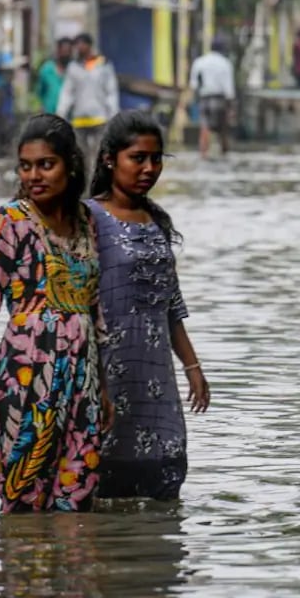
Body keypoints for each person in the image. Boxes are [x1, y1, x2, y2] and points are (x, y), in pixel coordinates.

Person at [0, 114, 114, 513]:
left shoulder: (87, 223)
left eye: (46, 165)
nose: (35, 175)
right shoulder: (6, 223)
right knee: (23, 501)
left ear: (71, 165)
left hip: (82, 382)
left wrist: (104, 388)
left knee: (78, 499)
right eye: (26, 166)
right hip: (26, 378)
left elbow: (95, 310)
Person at [85, 110, 209, 501]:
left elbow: (170, 305)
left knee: (162, 483)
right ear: (110, 159)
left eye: (156, 159)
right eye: (137, 158)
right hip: (106, 370)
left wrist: (193, 367)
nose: (149, 169)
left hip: (156, 378)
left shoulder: (156, 221)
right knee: (102, 482)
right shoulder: (88, 217)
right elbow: (79, 300)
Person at [56, 33, 119, 176]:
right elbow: (67, 93)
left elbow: (111, 91)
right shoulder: (73, 67)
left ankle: (99, 184)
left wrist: (113, 113)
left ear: (89, 45)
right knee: (81, 156)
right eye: (77, 44)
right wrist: (61, 113)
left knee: (99, 154)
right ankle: (84, 186)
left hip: (99, 118)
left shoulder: (103, 65)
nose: (79, 47)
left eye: (81, 44)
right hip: (79, 119)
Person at [189, 37, 235, 158]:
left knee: (205, 127)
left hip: (205, 98)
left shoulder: (199, 62)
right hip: (220, 99)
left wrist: (194, 99)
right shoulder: (225, 63)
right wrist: (231, 106)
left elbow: (193, 84)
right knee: (223, 130)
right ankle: (224, 154)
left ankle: (203, 153)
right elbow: (229, 89)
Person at [35, 38, 74, 115]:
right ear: (58, 52)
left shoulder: (74, 71)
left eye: (68, 52)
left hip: (70, 117)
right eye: (63, 52)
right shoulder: (47, 70)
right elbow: (40, 93)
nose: (65, 55)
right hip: (51, 116)